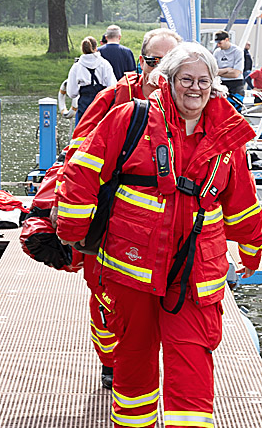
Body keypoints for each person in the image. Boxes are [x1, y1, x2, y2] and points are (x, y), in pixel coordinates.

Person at [55, 42, 262, 428]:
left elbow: (242, 198)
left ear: (215, 86)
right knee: (135, 347)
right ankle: (132, 426)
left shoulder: (227, 134)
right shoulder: (129, 119)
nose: (195, 88)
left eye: (204, 81)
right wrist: (73, 231)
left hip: (196, 267)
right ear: (168, 82)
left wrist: (251, 246)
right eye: (186, 79)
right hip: (132, 260)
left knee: (193, 353)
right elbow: (83, 170)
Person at [57, 27, 181, 390]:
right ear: (141, 62)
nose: (161, 71)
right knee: (105, 300)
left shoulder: (192, 103)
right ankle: (110, 361)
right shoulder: (115, 98)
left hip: (168, 232)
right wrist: (74, 228)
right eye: (155, 62)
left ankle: (141, 368)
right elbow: (78, 159)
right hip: (112, 225)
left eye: (171, 63)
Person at [65, 36, 116, 127]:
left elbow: (72, 93)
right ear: (96, 48)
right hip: (102, 105)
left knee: (83, 131)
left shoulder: (76, 66)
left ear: (83, 50)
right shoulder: (105, 64)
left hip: (84, 107)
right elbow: (113, 87)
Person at [212, 29, 244, 112]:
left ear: (227, 40)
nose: (218, 45)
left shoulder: (237, 51)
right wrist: (227, 70)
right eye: (217, 43)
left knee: (235, 111)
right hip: (222, 84)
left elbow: (236, 74)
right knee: (221, 111)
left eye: (220, 43)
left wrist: (220, 72)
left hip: (236, 85)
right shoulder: (217, 52)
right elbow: (213, 71)